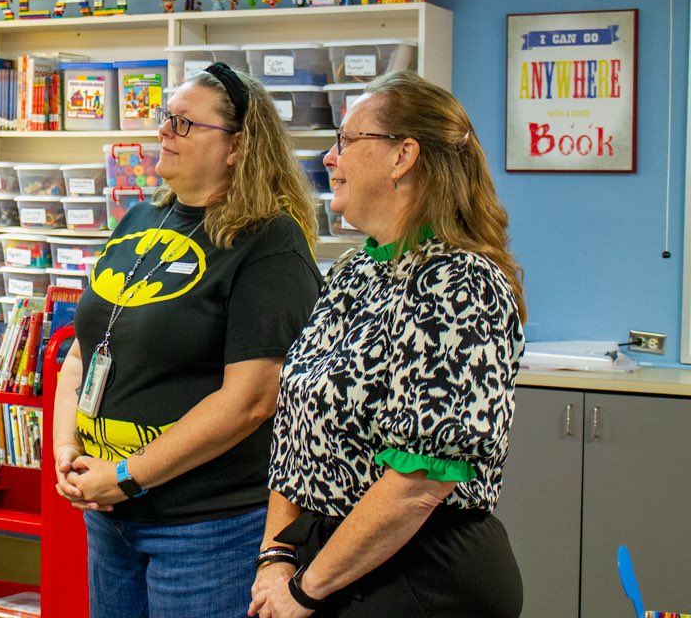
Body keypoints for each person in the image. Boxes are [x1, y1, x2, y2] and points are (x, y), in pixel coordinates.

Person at [52, 62, 325, 617]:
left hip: (206, 527)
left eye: (183, 123)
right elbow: (83, 349)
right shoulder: (138, 218)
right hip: (110, 516)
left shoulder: (269, 241)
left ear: (236, 146)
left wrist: (126, 476)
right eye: (164, 118)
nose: (163, 132)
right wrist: (67, 451)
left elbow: (250, 400)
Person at [251, 71, 527, 618]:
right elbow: (296, 437)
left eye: (346, 141)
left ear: (403, 155)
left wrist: (306, 590)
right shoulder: (358, 271)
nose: (330, 160)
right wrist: (276, 556)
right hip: (328, 562)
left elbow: (420, 482)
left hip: (420, 573)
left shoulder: (459, 283)